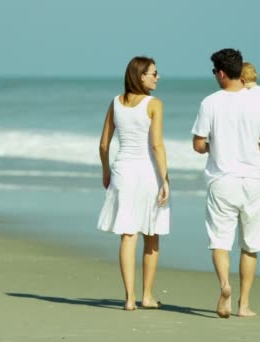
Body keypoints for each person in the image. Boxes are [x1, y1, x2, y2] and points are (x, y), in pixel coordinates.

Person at [191, 49, 260, 318]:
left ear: (221, 73)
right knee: (250, 244)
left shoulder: (210, 103)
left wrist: (214, 146)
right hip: (251, 180)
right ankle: (244, 305)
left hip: (222, 180)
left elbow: (198, 144)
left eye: (214, 72)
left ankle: (225, 286)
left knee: (220, 240)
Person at [97, 56, 170, 311]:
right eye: (154, 73)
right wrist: (165, 179)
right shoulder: (154, 104)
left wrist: (106, 172)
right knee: (151, 236)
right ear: (141, 76)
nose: (157, 77)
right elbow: (157, 145)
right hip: (147, 174)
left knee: (128, 236)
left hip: (122, 173)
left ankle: (129, 299)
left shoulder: (116, 102)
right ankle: (147, 296)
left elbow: (104, 144)